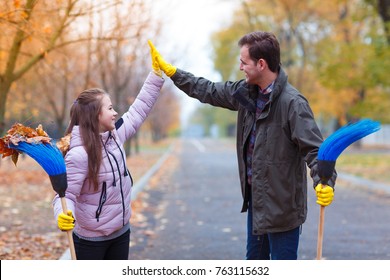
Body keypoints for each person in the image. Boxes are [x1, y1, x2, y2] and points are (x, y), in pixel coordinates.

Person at [148, 32, 336, 260]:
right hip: (257, 204)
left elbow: (315, 150)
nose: (240, 67)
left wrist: (324, 182)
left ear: (261, 64)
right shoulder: (245, 93)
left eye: (243, 62)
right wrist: (174, 73)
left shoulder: (293, 104)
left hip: (284, 211)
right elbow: (208, 90)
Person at [52, 44, 164, 260]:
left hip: (121, 232)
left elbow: (139, 109)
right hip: (90, 242)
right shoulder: (79, 154)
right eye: (110, 108)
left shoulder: (115, 136)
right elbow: (66, 196)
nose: (116, 113)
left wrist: (156, 75)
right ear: (95, 116)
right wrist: (63, 215)